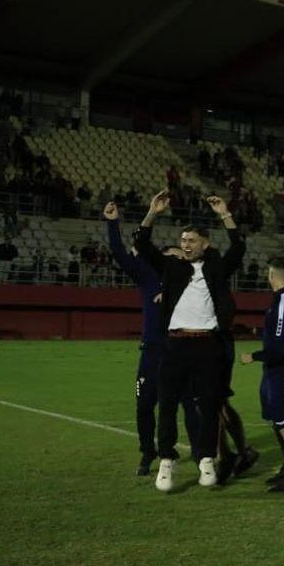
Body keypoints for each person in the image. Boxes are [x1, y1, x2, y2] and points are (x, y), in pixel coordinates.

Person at [135, 190, 247, 492]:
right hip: (174, 345)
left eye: (191, 241)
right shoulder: (171, 268)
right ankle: (166, 462)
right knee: (168, 405)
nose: (185, 245)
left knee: (209, 406)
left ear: (205, 244)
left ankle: (207, 459)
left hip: (208, 346)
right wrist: (152, 213)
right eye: (183, 240)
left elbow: (238, 247)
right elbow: (142, 245)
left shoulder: (216, 269)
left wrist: (225, 214)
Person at [101, 201, 195, 475]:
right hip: (152, 351)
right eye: (174, 256)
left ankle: (203, 455)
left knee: (188, 405)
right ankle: (147, 452)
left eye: (183, 257)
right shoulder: (148, 274)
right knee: (144, 404)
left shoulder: (193, 281)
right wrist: (112, 223)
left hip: (182, 351)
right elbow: (119, 253)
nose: (180, 260)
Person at [239, 257, 284, 491]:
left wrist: (255, 356)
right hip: (276, 372)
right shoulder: (283, 300)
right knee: (277, 420)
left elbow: (281, 345)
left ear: (272, 276)